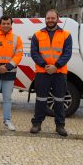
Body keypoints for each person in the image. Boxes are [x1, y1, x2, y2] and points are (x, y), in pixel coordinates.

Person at [30, 9, 72, 137]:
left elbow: (67, 53)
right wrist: (45, 65)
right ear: (45, 19)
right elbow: (34, 53)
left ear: (57, 18)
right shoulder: (37, 35)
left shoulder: (66, 34)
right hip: (42, 72)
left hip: (59, 72)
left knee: (59, 99)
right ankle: (37, 123)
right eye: (48, 18)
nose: (50, 20)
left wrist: (56, 66)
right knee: (41, 99)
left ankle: (60, 125)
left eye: (53, 18)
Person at [0, 15, 23, 131]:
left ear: (11, 25)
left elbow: (19, 54)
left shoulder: (17, 38)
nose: (6, 25)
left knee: (7, 98)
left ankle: (7, 120)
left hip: (9, 71)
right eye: (4, 23)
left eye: (8, 23)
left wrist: (8, 66)